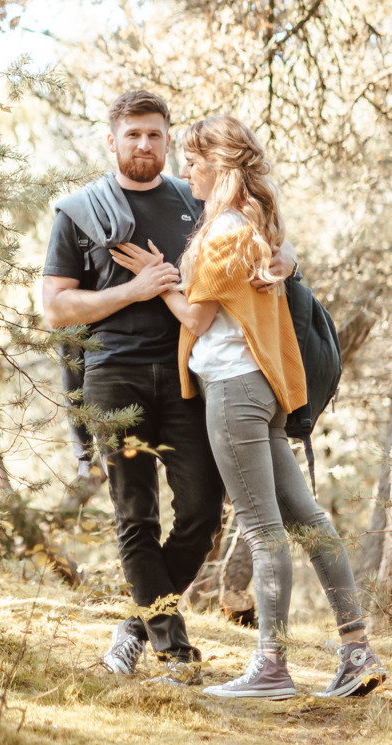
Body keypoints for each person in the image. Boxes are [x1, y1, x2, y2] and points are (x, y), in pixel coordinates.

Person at [116, 113, 384, 700]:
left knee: (265, 531)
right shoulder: (257, 228)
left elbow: (195, 318)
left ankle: (271, 668)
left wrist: (158, 278)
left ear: (219, 165)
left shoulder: (221, 235)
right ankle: (357, 649)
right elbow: (274, 271)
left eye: (192, 160)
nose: (184, 170)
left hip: (234, 390)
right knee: (308, 521)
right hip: (265, 388)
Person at [40, 91, 294, 680]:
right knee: (136, 513)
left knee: (204, 511)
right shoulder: (80, 212)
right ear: (112, 140)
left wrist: (288, 262)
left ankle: (134, 626)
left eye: (155, 134)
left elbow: (257, 234)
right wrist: (134, 289)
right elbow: (55, 309)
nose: (145, 146)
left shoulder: (193, 198)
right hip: (112, 373)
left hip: (187, 372)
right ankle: (170, 647)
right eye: (133, 135)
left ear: (167, 136)